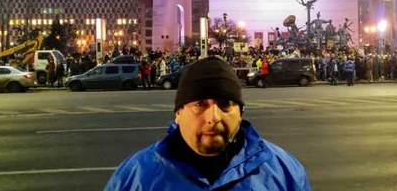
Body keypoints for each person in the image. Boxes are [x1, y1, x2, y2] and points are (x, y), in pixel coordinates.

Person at [105, 56, 311, 190]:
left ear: (240, 113)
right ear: (178, 113)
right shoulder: (134, 178)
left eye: (225, 104)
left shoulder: (284, 173)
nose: (213, 117)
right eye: (200, 104)